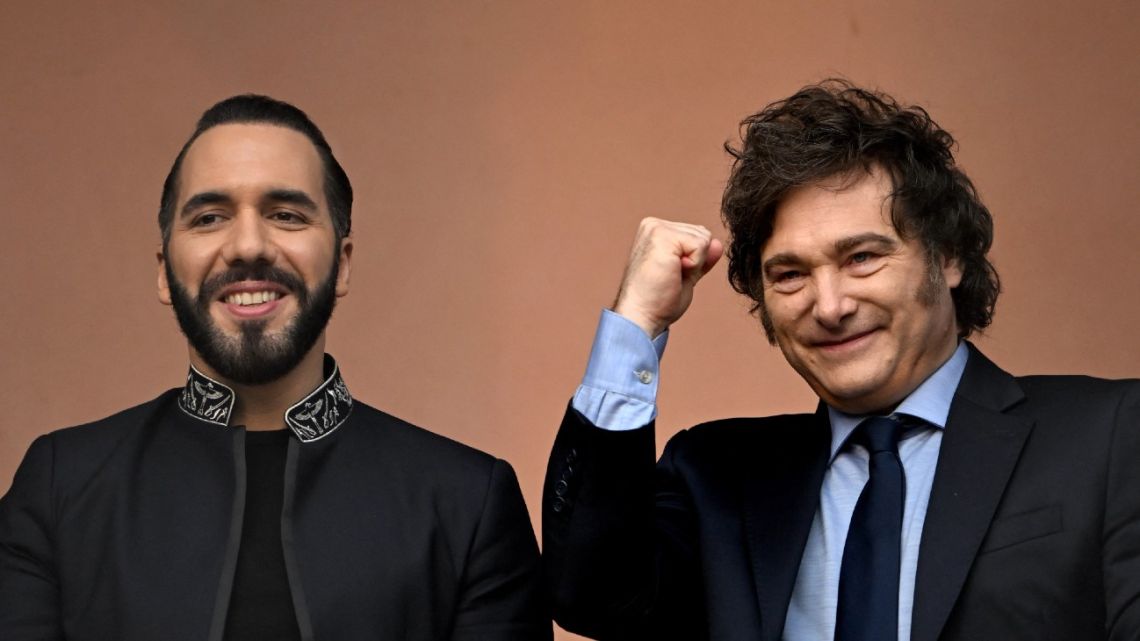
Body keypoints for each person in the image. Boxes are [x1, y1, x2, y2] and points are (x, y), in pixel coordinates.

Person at [543, 80, 1140, 641]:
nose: (829, 306)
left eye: (861, 258)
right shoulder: (717, 476)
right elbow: (588, 596)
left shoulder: (1110, 436)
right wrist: (636, 324)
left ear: (949, 258)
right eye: (790, 274)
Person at [0, 95, 549, 641]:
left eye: (286, 215)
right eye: (210, 217)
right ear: (166, 273)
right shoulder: (60, 487)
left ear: (342, 265)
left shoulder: (465, 502)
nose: (247, 246)